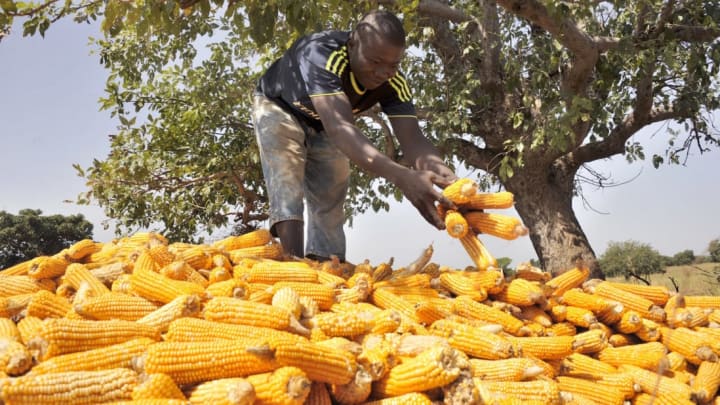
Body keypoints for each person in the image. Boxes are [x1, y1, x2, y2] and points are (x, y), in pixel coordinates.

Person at [252, 9, 458, 262]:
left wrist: (447, 179)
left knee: (332, 189)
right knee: (287, 180)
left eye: (393, 65)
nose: (384, 72)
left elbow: (413, 139)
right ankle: (292, 267)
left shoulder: (394, 83)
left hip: (327, 121)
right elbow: (340, 128)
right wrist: (403, 176)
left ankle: (327, 265)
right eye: (374, 61)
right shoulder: (322, 55)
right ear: (352, 44)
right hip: (280, 107)